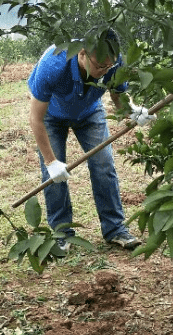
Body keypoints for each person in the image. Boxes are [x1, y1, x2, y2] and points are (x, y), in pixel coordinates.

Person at [27, 28, 155, 252]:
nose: (103, 71)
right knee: (54, 177)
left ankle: (115, 229)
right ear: (82, 53)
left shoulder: (113, 63)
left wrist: (133, 111)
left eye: (108, 67)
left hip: (89, 112)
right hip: (51, 116)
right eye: (99, 66)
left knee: (104, 165)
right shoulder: (54, 63)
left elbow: (118, 95)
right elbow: (35, 118)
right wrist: (51, 162)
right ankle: (61, 233)